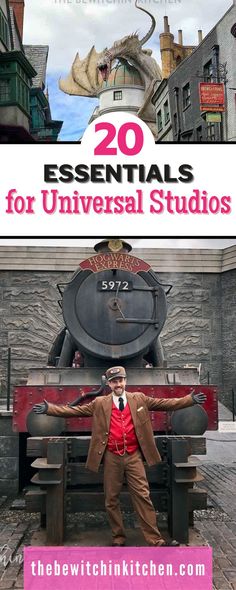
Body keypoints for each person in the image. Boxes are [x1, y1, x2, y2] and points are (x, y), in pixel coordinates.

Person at [33, 366, 206, 547]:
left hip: (133, 456)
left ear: (125, 381)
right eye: (115, 381)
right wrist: (49, 409)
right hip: (112, 457)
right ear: (109, 383)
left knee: (143, 496)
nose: (118, 384)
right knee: (111, 499)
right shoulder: (100, 403)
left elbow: (165, 403)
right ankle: (118, 537)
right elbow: (74, 411)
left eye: (121, 380)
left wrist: (189, 400)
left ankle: (155, 540)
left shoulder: (139, 398)